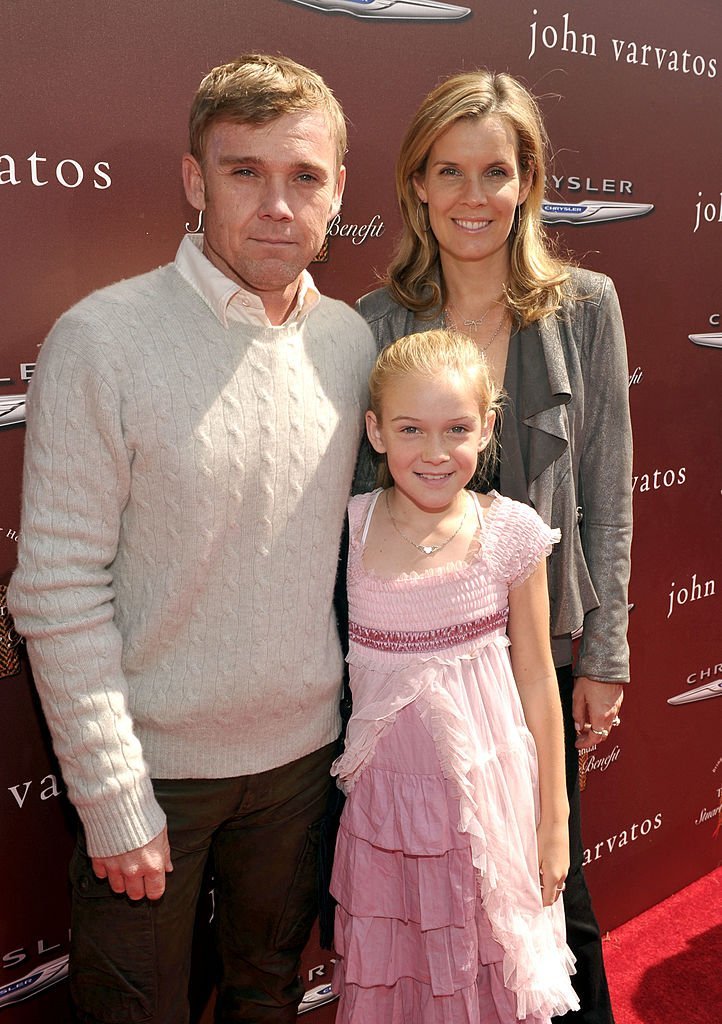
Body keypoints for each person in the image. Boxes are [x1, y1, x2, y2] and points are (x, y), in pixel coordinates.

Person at [8, 53, 376, 1024]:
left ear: (338, 189)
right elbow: (54, 587)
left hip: (304, 766)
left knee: (268, 998)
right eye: (242, 170)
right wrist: (115, 798)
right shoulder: (103, 340)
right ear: (192, 180)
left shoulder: (351, 345)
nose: (275, 204)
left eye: (302, 175)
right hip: (152, 774)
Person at [355, 69, 632, 1023]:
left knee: (554, 891)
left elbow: (607, 492)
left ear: (528, 183)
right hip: (423, 673)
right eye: (450, 172)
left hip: (542, 654)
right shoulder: (379, 320)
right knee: (444, 909)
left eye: (496, 172)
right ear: (417, 187)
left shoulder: (585, 306)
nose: (474, 197)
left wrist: (606, 652)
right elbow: (363, 511)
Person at [330, 329, 579, 1022]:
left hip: (490, 807)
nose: (435, 454)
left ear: (487, 428)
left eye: (456, 430)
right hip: (387, 818)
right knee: (401, 978)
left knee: (485, 976)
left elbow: (537, 679)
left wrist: (553, 823)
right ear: (375, 432)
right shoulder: (347, 528)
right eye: (411, 430)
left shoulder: (512, 531)